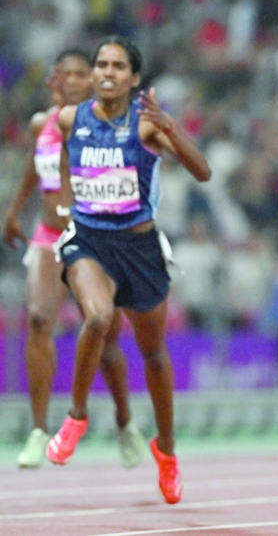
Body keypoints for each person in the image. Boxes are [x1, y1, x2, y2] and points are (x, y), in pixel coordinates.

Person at [47, 36, 211, 504]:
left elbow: (202, 172)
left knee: (154, 354)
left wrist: (173, 129)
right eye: (101, 64)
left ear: (134, 78)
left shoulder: (145, 128)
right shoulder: (68, 119)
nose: (107, 72)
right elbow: (63, 163)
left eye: (118, 66)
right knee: (97, 318)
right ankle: (76, 415)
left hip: (138, 246)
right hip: (89, 240)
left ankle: (168, 450)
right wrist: (64, 207)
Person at [2, 49, 143, 469]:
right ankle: (39, 430)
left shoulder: (104, 124)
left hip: (95, 238)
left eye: (84, 74)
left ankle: (124, 421)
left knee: (104, 336)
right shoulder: (42, 123)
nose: (75, 80)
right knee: (40, 320)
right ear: (54, 80)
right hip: (48, 237)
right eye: (67, 74)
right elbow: (36, 163)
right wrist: (14, 209)